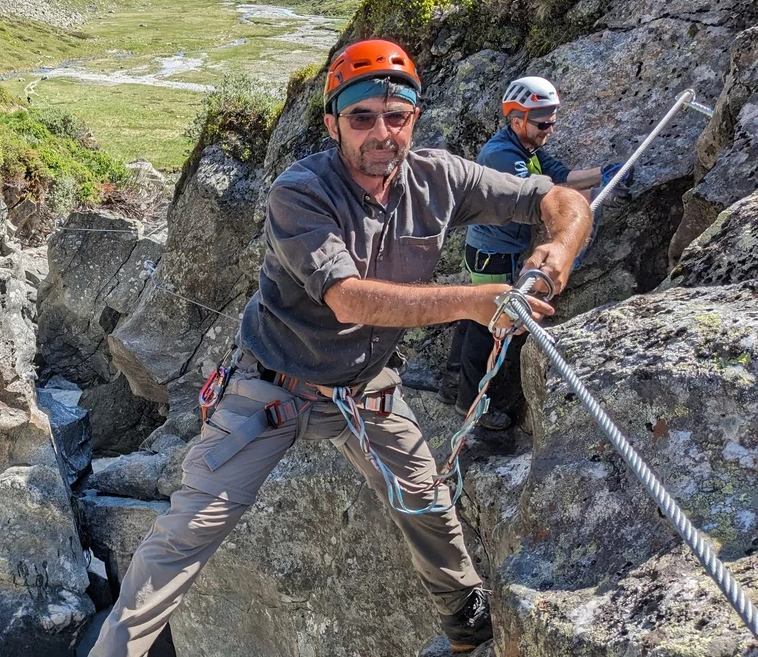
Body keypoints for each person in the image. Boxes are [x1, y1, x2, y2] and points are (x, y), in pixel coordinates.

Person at [89, 40, 592, 656]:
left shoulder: (439, 178)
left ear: (414, 118)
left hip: (365, 386)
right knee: (188, 531)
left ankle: (468, 623)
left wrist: (558, 250)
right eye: (362, 118)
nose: (382, 132)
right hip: (272, 385)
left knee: (426, 505)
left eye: (396, 116)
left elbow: (558, 199)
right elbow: (348, 299)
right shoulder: (301, 192)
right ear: (333, 125)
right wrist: (472, 301)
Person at [438, 77, 629, 430]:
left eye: (552, 121)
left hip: (492, 249)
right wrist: (591, 200)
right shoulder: (502, 156)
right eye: (543, 124)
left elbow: (560, 176)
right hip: (494, 253)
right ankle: (470, 403)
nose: (550, 130)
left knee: (475, 314)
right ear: (517, 121)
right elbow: (535, 199)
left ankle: (453, 380)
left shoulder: (527, 146)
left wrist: (603, 175)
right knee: (487, 323)